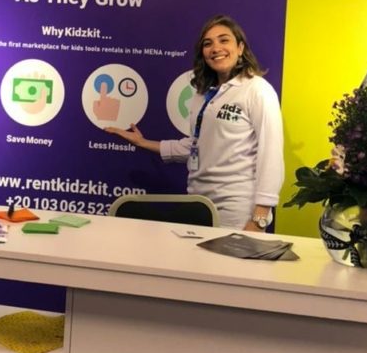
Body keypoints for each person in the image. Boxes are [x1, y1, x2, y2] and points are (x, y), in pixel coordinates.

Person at [104, 15, 284, 230]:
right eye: (208, 44)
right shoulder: (202, 94)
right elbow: (196, 145)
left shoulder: (257, 90)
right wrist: (143, 142)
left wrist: (260, 216)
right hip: (198, 202)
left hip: (236, 206)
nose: (215, 48)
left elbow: (271, 153)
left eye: (224, 40)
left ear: (240, 47)